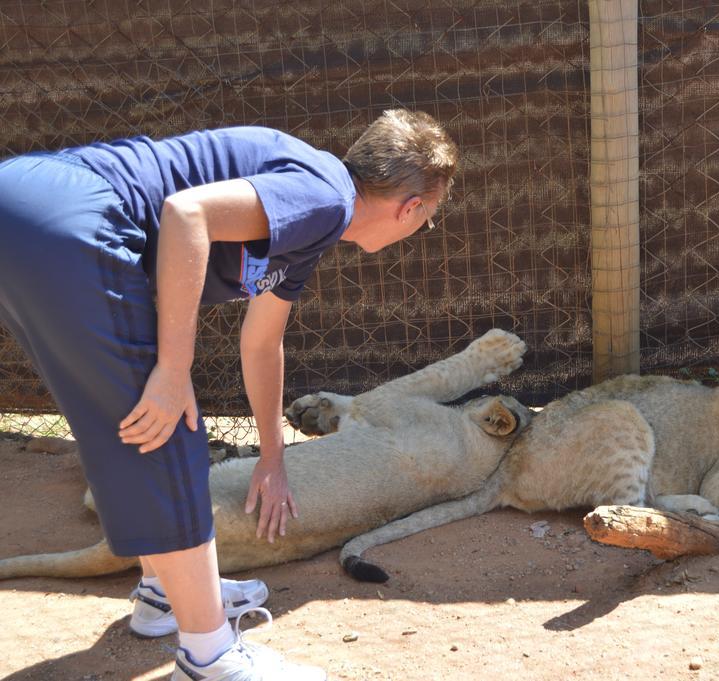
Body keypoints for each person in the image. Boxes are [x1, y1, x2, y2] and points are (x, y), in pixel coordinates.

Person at [0, 110, 457, 680]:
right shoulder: (324, 196)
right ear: (411, 207)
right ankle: (210, 655)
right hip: (68, 215)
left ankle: (164, 594)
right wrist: (173, 367)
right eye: (429, 218)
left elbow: (262, 343)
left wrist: (272, 456)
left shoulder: (310, 222)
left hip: (30, 211)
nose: (422, 226)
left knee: (142, 426)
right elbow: (184, 212)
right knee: (171, 432)